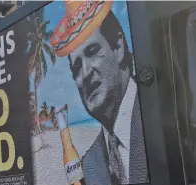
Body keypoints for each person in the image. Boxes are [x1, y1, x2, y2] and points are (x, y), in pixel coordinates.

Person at [50, 1, 149, 184]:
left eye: (93, 52)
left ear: (118, 47)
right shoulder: (89, 163)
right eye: (77, 67)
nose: (85, 73)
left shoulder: (156, 118)